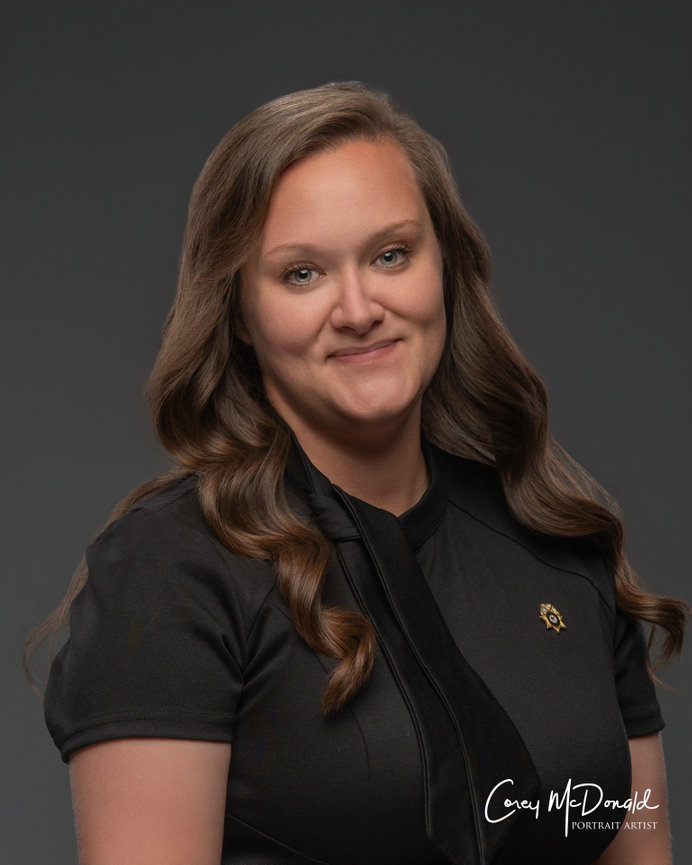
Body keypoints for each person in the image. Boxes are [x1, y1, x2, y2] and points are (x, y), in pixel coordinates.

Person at [25, 81, 687, 865]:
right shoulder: (171, 571)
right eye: (301, 273)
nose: (359, 306)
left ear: (446, 267)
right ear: (240, 310)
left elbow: (640, 853)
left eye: (391, 254)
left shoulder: (558, 543)